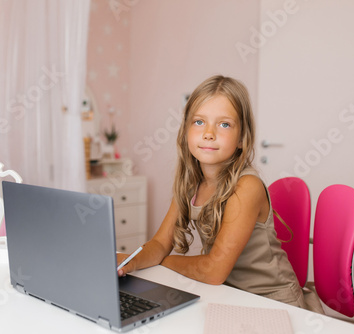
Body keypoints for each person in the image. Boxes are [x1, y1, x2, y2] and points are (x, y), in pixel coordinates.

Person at [117, 75, 323, 313]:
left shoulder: (246, 187)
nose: (209, 133)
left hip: (273, 302)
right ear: (185, 130)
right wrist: (131, 260)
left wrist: (161, 261)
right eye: (199, 122)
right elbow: (161, 243)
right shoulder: (191, 184)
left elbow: (214, 271)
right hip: (228, 295)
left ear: (241, 138)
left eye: (224, 124)